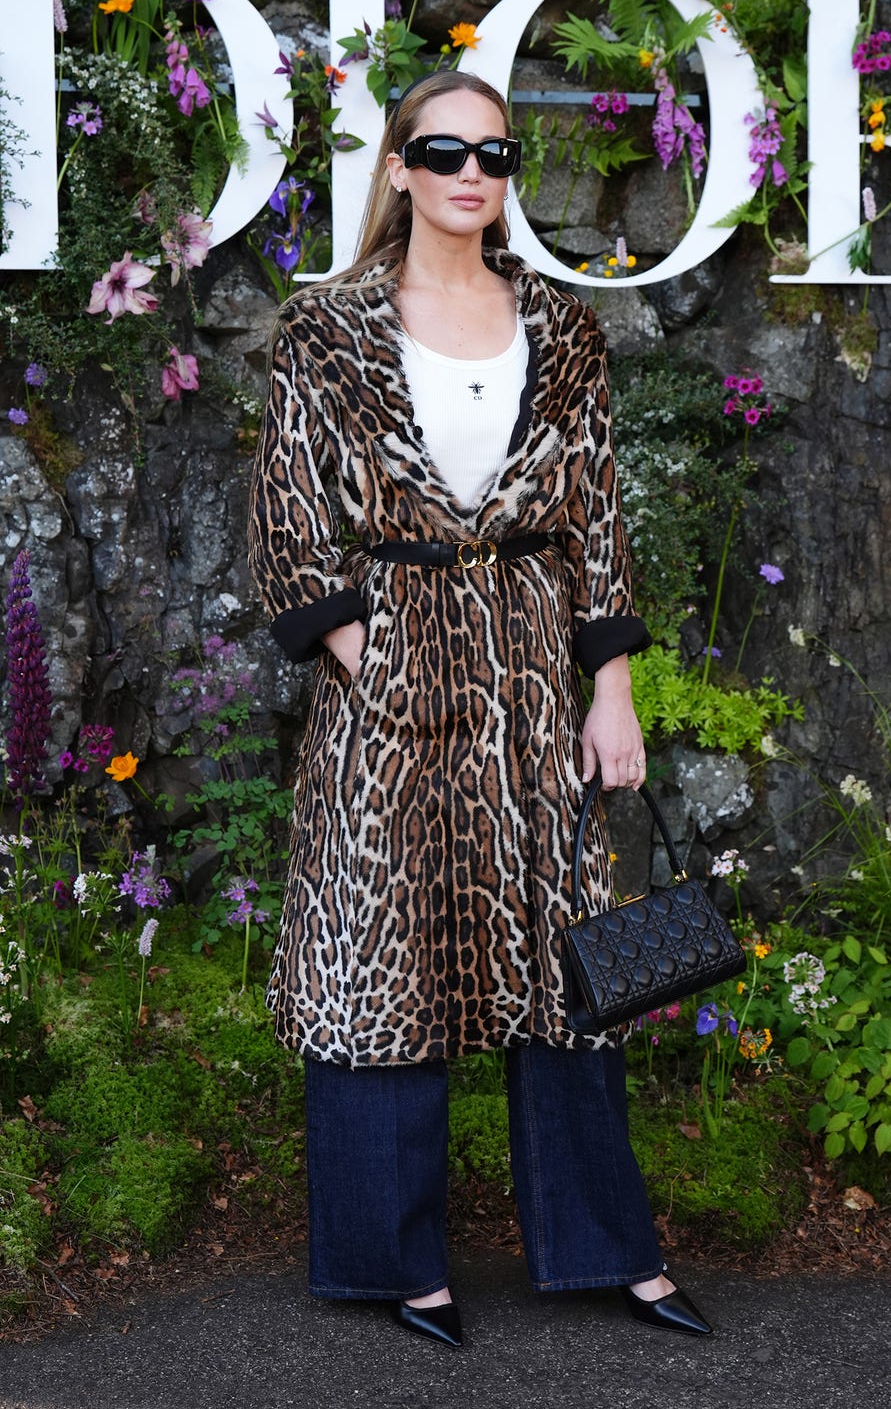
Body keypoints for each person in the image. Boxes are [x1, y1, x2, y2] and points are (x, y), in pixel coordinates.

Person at [248, 70, 712, 1349]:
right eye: (441, 149)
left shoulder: (560, 328)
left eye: (494, 153)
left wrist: (607, 686)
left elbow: (594, 523)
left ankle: (609, 1247)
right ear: (397, 167)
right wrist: (368, 661)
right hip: (389, 676)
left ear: (510, 175)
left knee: (566, 968)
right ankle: (394, 1265)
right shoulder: (325, 332)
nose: (470, 171)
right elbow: (288, 530)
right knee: (377, 960)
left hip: (525, 672)